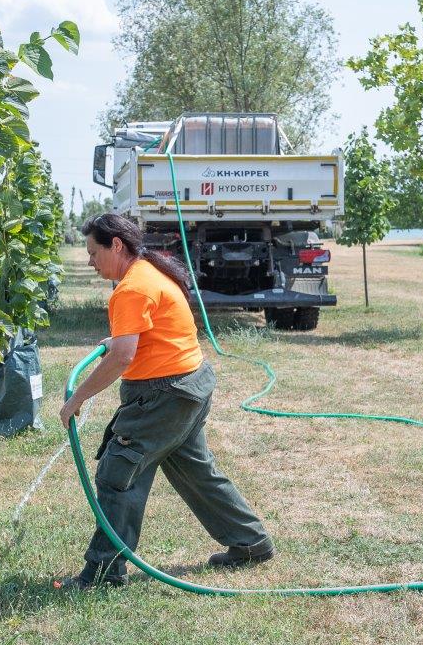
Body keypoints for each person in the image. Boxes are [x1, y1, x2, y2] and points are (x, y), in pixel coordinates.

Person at [57, 213, 275, 588]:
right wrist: (118, 339)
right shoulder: (147, 272)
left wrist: (77, 398)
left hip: (163, 396)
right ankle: (251, 542)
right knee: (197, 471)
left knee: (118, 474)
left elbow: (124, 357)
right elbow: (146, 333)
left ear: (117, 246)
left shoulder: (131, 288)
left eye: (93, 252)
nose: (90, 261)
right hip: (189, 385)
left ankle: (105, 571)